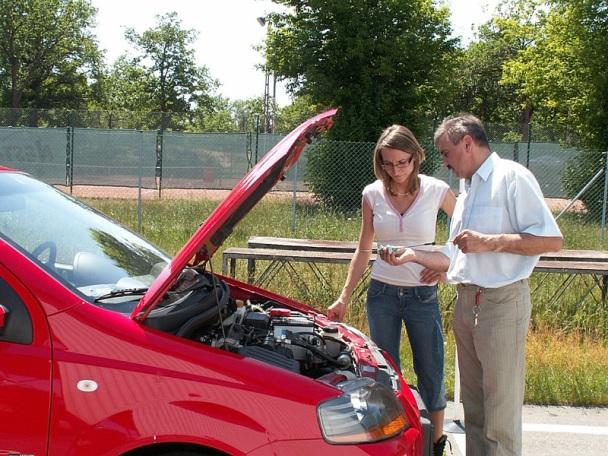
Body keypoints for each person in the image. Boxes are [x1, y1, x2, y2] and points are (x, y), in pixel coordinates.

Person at [381, 113, 563, 456]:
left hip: (501, 303)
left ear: (467, 142)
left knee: (500, 417)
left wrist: (490, 242)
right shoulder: (466, 189)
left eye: (447, 153)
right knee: (475, 411)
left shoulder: (512, 177)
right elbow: (459, 252)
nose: (444, 162)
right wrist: (418, 258)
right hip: (468, 303)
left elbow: (551, 240)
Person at [327, 124, 456, 455]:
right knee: (385, 374)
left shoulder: (438, 190)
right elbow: (363, 248)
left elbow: (465, 236)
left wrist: (445, 271)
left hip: (422, 294)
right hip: (382, 293)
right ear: (379, 162)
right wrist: (343, 297)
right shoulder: (371, 193)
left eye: (402, 162)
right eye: (388, 163)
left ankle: (437, 444)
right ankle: (395, 444)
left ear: (416, 157)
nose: (395, 170)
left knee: (431, 368)